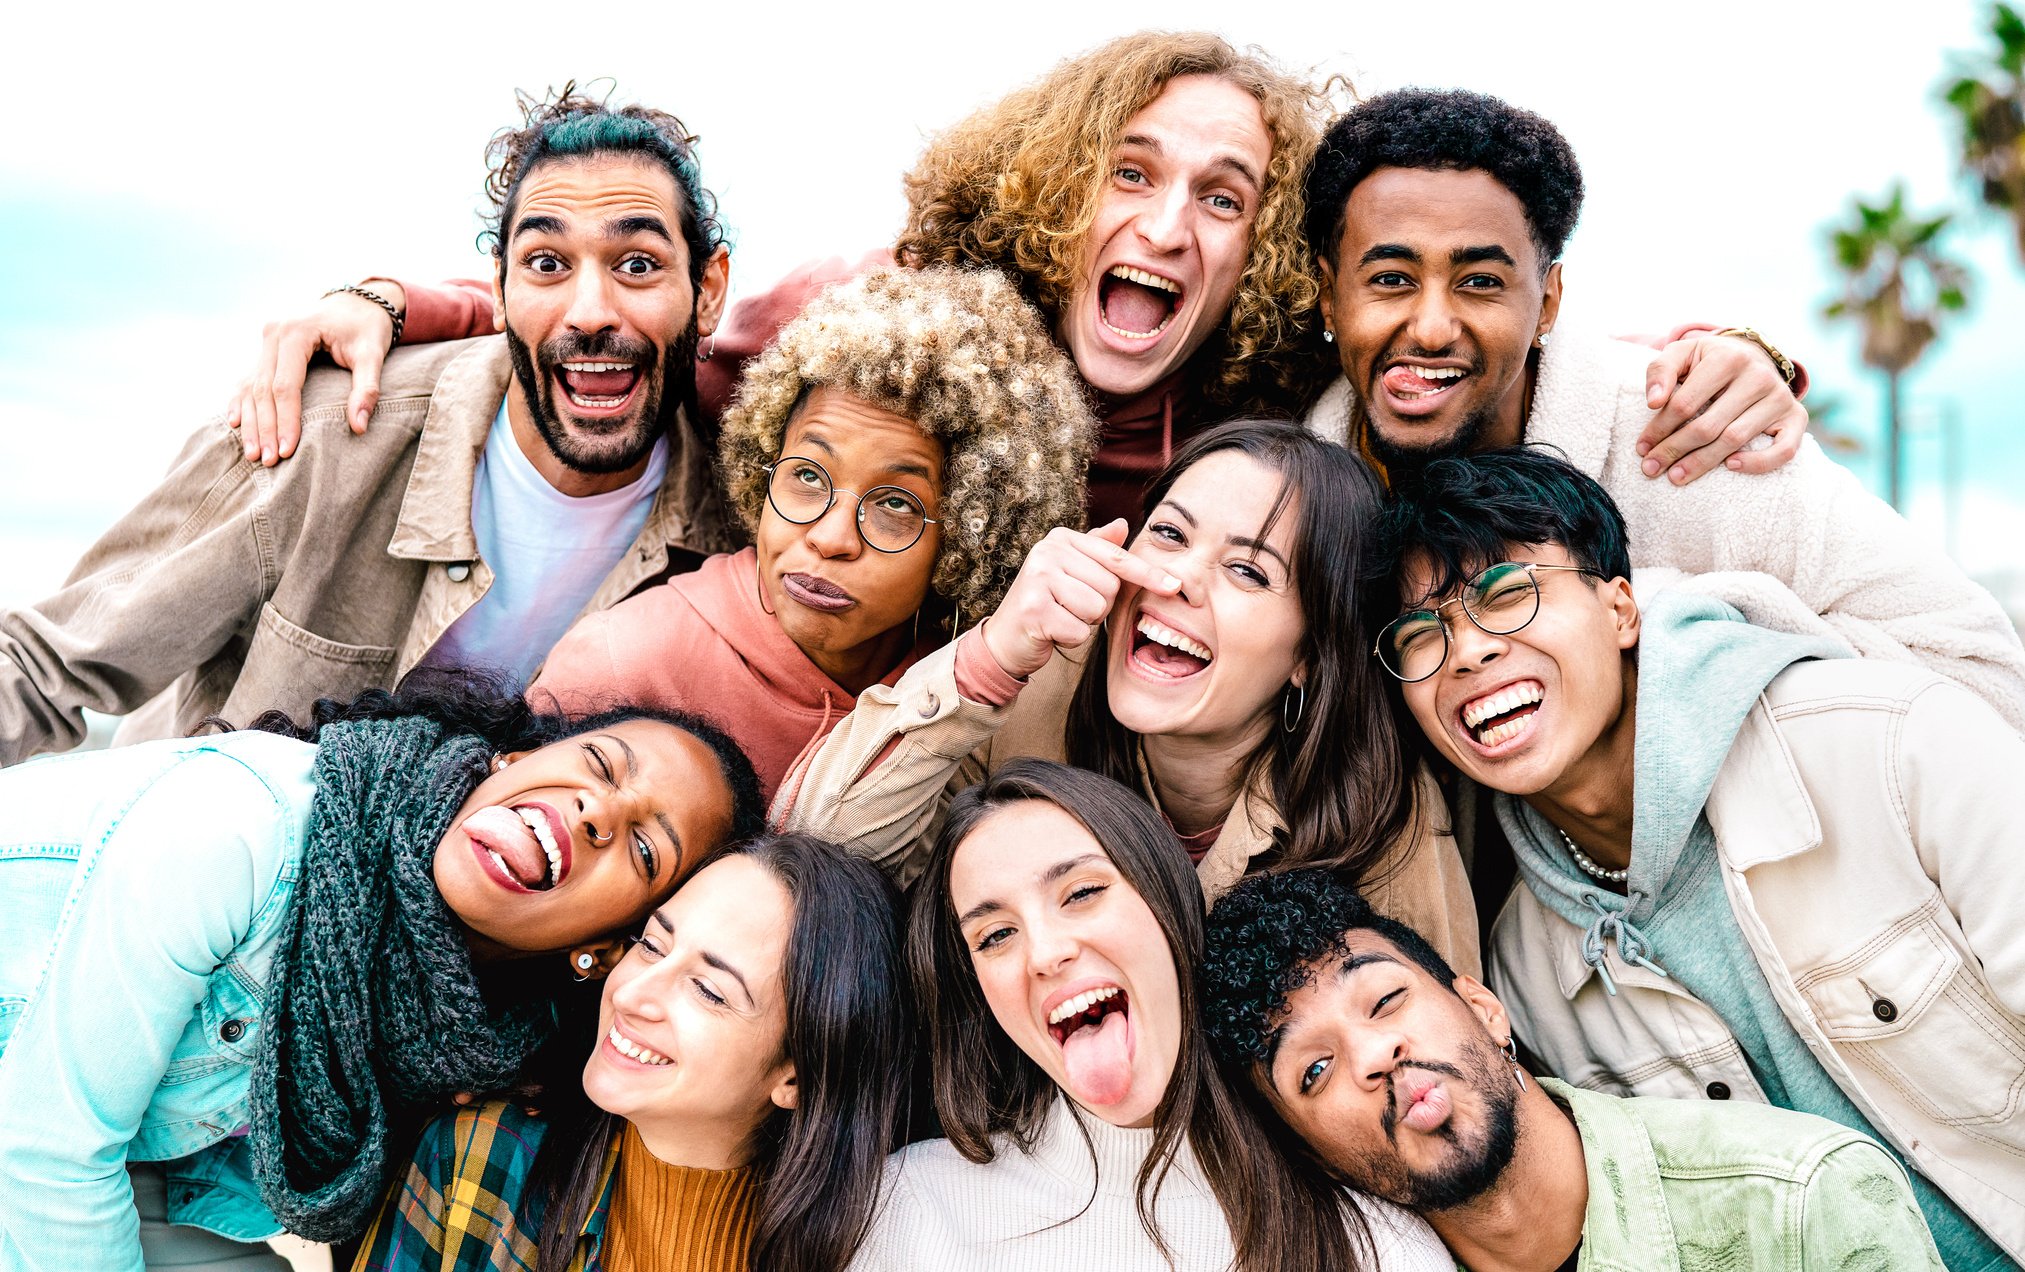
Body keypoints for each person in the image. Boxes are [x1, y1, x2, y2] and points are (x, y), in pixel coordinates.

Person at [233, 37, 1794, 526]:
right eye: (1129, 173)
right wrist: (399, 301)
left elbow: (1483, 315)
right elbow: (640, 319)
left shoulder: (1274, 387)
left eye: (1222, 196)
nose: (1169, 225)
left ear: (1264, 254)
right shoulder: (894, 313)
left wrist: (1737, 353)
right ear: (1055, 192)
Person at [1367, 447, 2023, 1266]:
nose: (1465, 653)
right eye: (1420, 635)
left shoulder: (1893, 745)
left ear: (1620, 611)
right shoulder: (1528, 973)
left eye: (1507, 596)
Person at [0, 88, 741, 767]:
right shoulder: (314, 435)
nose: (588, 312)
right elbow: (41, 670)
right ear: (500, 288)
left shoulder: (744, 517)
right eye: (545, 262)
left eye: (638, 264)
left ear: (707, 290)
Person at [1299, 87, 2025, 726]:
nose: (1429, 327)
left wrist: (1669, 630)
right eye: (1391, 278)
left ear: (1546, 301)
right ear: (1329, 294)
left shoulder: (1696, 439)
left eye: (1481, 281)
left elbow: (1986, 679)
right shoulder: (1289, 498)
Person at [0, 673, 765, 1269]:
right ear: (517, 759)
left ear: (601, 950)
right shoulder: (240, 828)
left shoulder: (475, 1042)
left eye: (643, 850)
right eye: (599, 763)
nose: (602, 811)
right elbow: (43, 1154)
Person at [780, 421, 1477, 972]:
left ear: (1309, 655)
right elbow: (822, 858)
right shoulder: (1036, 688)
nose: (1176, 580)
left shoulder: (1381, 807)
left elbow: (1439, 1053)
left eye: (1247, 569)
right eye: (1168, 535)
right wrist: (988, 657)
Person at [852, 759, 1451, 1270]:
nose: (1044, 953)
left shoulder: (1372, 1239)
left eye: (1082, 893)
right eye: (995, 935)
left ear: (1168, 904)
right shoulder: (906, 1211)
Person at [529, 265, 1093, 801]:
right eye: (807, 475)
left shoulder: (980, 696)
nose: (830, 537)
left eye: (895, 503)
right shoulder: (618, 664)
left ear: (970, 538)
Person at [1199, 868, 1946, 1270]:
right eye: (1314, 1069)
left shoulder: (1805, 1198)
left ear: (1485, 1009)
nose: (1371, 1055)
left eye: (1385, 999)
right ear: (1309, 1154)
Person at [355, 832, 908, 1272]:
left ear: (798, 1078)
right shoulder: (481, 1157)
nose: (631, 992)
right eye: (651, 946)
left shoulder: (884, 1250)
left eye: (709, 990)